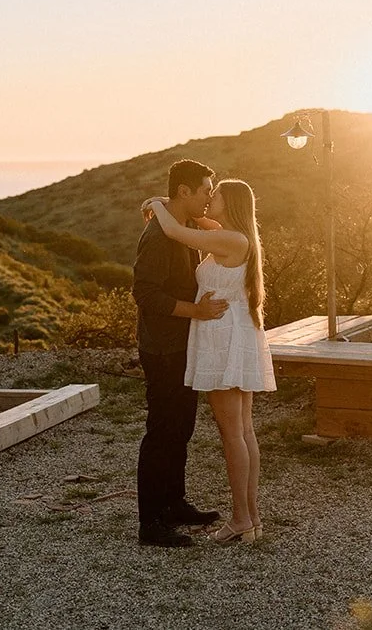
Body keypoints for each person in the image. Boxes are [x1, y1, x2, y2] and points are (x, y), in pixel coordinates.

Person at [143, 177, 275, 545]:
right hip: (234, 333)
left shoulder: (229, 240)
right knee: (243, 431)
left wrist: (156, 204)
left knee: (234, 433)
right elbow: (196, 219)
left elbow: (176, 231)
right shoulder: (232, 235)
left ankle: (240, 519)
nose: (209, 199)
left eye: (214, 195)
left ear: (229, 203)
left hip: (223, 338)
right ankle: (252, 518)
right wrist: (171, 202)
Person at [131, 159, 227, 547]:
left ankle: (174, 503)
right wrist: (197, 311)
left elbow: (210, 224)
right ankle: (151, 523)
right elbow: (145, 294)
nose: (209, 197)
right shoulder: (158, 236)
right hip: (162, 348)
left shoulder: (181, 224)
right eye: (205, 190)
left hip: (183, 345)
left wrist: (158, 202)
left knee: (181, 427)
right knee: (162, 431)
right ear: (184, 191)